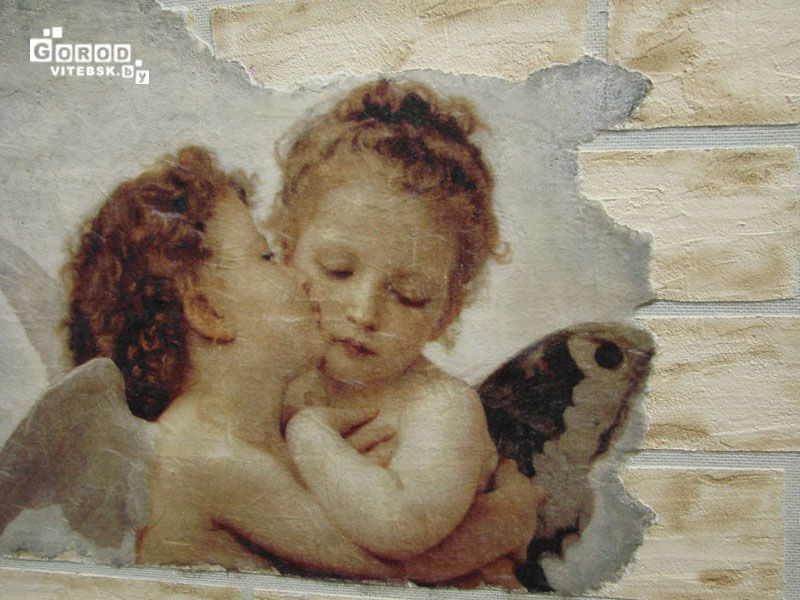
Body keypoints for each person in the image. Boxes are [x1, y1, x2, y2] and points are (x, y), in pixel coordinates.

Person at [65, 145, 541, 581]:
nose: (360, 312)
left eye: (410, 295)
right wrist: (506, 519)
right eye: (267, 256)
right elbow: (398, 569)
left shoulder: (256, 427)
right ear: (208, 312)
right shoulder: (209, 456)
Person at [272, 80, 544, 581]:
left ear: (446, 311)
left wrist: (307, 434)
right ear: (286, 253)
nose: (364, 312)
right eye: (337, 270)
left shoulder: (439, 407)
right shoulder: (275, 378)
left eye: (409, 295)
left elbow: (401, 532)